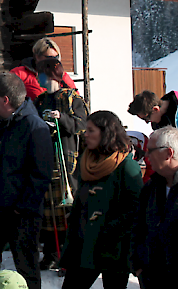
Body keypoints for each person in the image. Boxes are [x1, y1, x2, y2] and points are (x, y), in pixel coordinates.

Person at [0, 73, 53, 289]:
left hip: (22, 217)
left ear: (5, 100)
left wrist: (22, 209)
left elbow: (41, 174)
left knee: (26, 270)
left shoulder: (35, 127)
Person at [60, 111, 143, 289]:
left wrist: (109, 229)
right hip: (84, 247)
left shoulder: (126, 166)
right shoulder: (86, 160)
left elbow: (136, 209)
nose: (85, 134)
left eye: (91, 130)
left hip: (113, 250)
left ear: (106, 133)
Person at [34, 58, 88, 270]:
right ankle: (51, 253)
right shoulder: (39, 100)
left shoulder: (71, 97)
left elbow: (82, 124)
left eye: (40, 73)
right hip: (45, 158)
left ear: (50, 74)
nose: (38, 78)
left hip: (67, 160)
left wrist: (62, 118)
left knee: (67, 207)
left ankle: (70, 255)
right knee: (47, 209)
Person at [131, 126, 178, 288]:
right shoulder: (151, 187)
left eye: (151, 150)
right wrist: (138, 266)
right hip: (152, 278)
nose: (147, 155)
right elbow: (138, 227)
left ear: (168, 153)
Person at [10, 37, 77, 100]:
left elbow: (75, 99)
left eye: (56, 57)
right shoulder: (20, 73)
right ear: (37, 57)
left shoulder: (61, 75)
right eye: (49, 58)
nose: (53, 61)